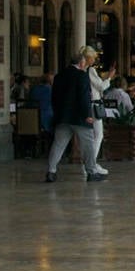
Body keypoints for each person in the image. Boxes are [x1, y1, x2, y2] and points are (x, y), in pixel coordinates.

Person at [45, 51, 103, 182]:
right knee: (88, 145)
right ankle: (92, 172)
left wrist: (58, 113)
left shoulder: (59, 76)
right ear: (81, 62)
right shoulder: (82, 75)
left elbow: (54, 97)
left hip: (63, 117)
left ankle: (51, 171)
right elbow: (84, 97)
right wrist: (87, 114)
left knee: (58, 144)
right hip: (79, 117)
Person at [83, 46, 113, 174]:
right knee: (98, 134)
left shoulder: (82, 70)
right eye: (93, 57)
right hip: (94, 105)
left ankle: (90, 162)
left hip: (87, 104)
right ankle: (92, 163)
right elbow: (101, 86)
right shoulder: (90, 70)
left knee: (90, 135)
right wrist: (109, 78)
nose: (95, 60)